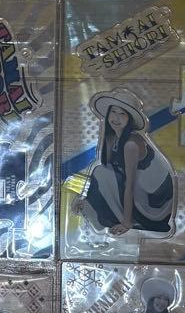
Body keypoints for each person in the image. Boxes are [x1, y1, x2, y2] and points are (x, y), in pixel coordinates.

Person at [72, 88, 176, 237]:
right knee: (101, 171)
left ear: (130, 119)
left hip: (155, 200)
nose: (116, 117)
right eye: (113, 112)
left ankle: (127, 218)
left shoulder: (131, 144)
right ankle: (95, 209)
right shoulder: (113, 138)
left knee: (102, 173)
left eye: (122, 114)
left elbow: (129, 185)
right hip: (138, 188)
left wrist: (127, 223)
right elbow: (112, 171)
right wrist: (86, 199)